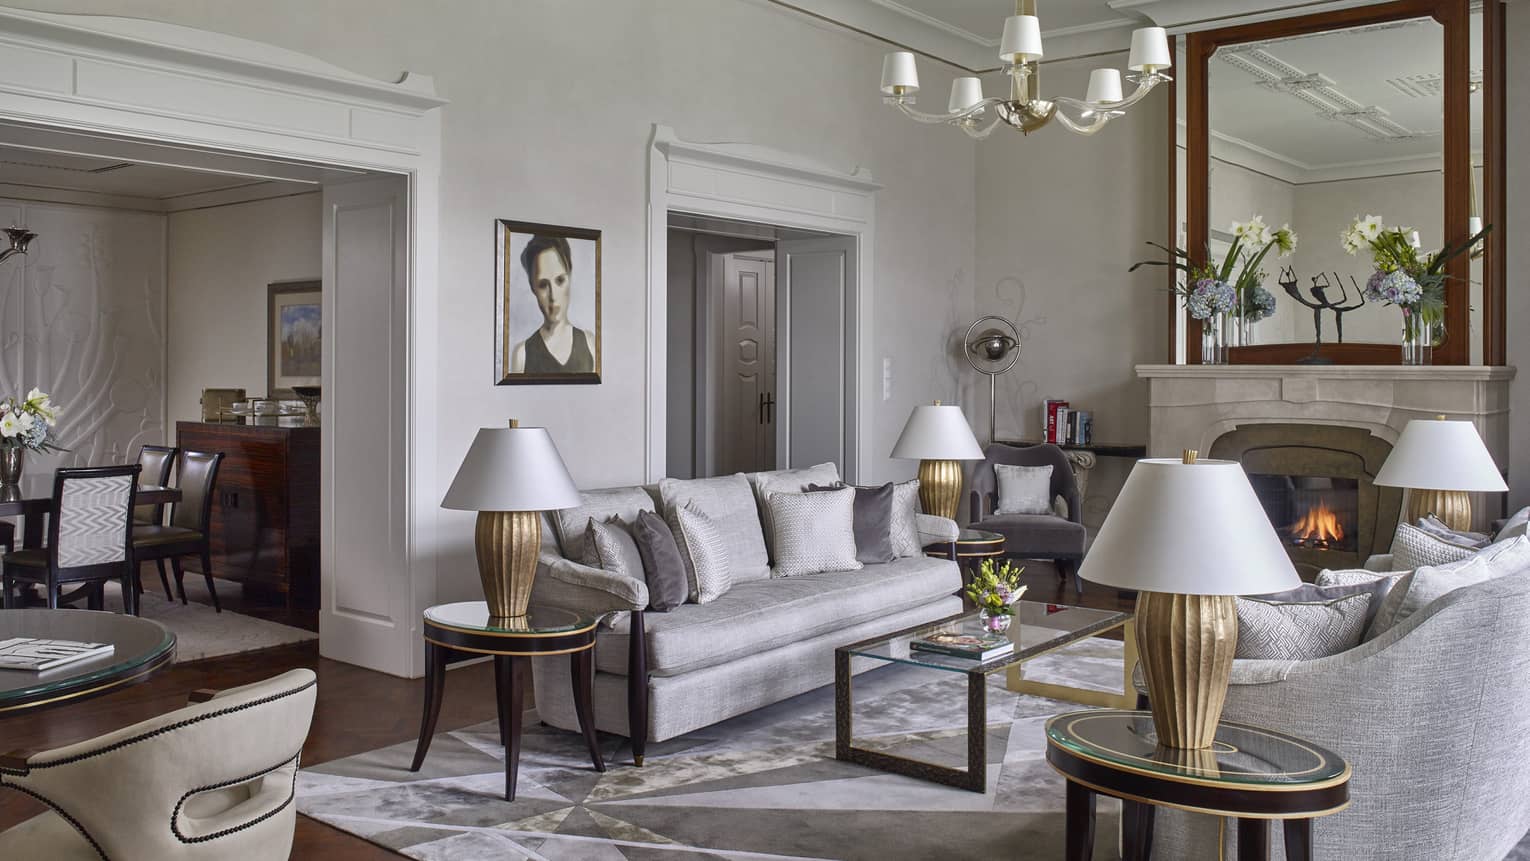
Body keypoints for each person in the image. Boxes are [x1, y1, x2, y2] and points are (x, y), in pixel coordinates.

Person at [510, 235, 595, 374]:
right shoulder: (522, 355)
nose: (553, 296)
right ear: (533, 288)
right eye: (543, 285)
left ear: (570, 276)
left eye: (560, 280)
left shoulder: (591, 344)